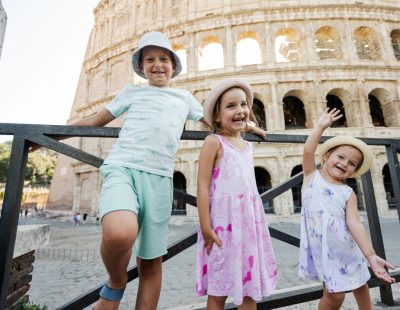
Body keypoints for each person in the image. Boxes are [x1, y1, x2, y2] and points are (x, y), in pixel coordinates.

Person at [67, 31, 265, 309]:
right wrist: (50, 139)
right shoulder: (131, 92)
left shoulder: (183, 98)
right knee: (119, 233)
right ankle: (115, 284)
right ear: (141, 66)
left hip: (160, 179)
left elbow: (217, 120)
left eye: (164, 59)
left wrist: (249, 125)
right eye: (150, 59)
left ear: (174, 65)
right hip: (123, 168)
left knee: (150, 261)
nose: (157, 64)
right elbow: (98, 119)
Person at [298, 108, 396, 310]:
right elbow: (308, 150)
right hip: (324, 249)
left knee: (360, 281)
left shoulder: (347, 192)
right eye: (340, 157)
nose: (344, 164)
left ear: (355, 171)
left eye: (352, 163)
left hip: (348, 247)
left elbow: (354, 223)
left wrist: (370, 255)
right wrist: (320, 127)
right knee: (335, 296)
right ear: (326, 156)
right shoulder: (311, 175)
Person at [196, 78, 278, 309]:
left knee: (250, 286)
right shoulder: (214, 142)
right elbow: (202, 186)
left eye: (243, 104)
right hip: (220, 225)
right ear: (217, 115)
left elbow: (241, 123)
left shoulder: (247, 145)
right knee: (218, 287)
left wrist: (253, 127)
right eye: (230, 106)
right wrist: (205, 227)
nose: (240, 110)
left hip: (249, 224)